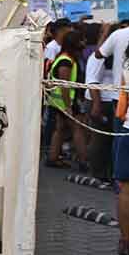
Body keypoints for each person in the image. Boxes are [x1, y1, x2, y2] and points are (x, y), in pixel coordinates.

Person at [47, 29, 88, 169]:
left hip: (58, 101)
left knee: (60, 129)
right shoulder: (66, 61)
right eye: (81, 40)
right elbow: (65, 86)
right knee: (77, 130)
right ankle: (84, 162)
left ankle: (52, 158)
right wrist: (68, 106)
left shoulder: (64, 57)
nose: (84, 42)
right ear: (75, 43)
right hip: (66, 101)